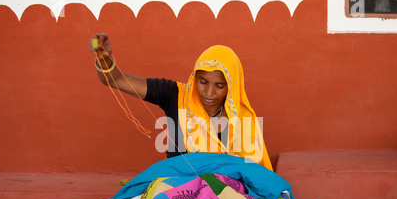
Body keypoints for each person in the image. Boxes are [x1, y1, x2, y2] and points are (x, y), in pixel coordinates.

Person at [90, 33, 273, 171]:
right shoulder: (174, 94)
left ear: (232, 86)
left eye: (219, 86)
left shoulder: (241, 118)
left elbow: (252, 174)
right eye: (203, 82)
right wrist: (105, 60)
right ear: (194, 77)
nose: (209, 93)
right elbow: (115, 79)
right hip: (178, 193)